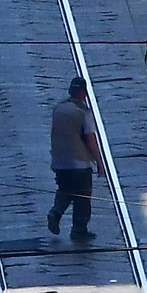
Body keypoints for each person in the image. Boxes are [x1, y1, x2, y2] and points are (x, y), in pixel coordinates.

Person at [47, 76, 103, 242]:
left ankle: (56, 212)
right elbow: (90, 140)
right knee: (83, 196)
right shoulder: (84, 113)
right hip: (79, 163)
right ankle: (79, 229)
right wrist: (99, 163)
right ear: (84, 93)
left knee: (65, 190)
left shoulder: (58, 108)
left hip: (59, 161)